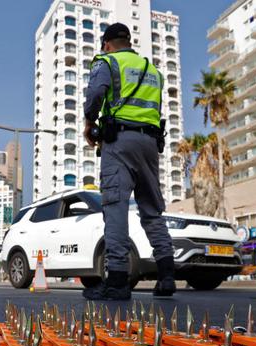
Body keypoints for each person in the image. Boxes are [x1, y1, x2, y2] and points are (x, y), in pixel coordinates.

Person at [83, 23, 175, 300]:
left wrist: (90, 123)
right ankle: (167, 275)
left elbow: (95, 95)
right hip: (149, 143)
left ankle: (118, 282)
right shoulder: (153, 71)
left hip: (119, 143)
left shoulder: (107, 61)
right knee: (151, 209)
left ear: (107, 44)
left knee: (115, 207)